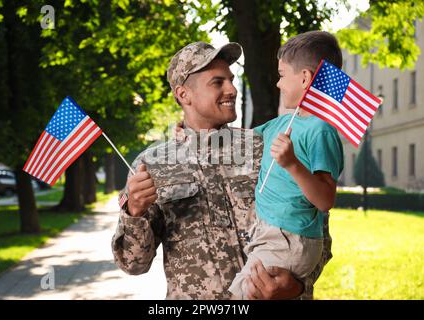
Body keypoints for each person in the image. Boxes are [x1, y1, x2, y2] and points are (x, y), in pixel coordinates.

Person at [111, 41, 333, 299]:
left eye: (231, 79)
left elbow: (317, 234)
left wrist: (296, 287)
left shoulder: (270, 147)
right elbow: (133, 264)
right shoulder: (151, 165)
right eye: (217, 82)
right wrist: (135, 211)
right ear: (184, 95)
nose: (231, 89)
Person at [228, 31, 344, 299]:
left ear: (305, 78)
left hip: (289, 237)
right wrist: (193, 135)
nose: (278, 84)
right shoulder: (282, 123)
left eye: (282, 75)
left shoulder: (320, 130)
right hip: (270, 232)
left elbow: (325, 199)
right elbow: (239, 139)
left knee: (242, 297)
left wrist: (292, 164)